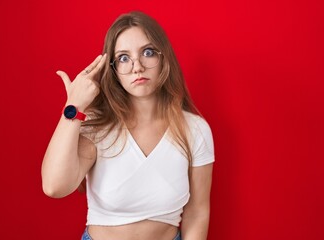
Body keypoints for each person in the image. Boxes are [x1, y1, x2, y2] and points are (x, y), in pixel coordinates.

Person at [42, 11, 214, 240]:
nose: (137, 66)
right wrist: (73, 106)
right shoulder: (96, 126)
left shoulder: (195, 130)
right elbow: (55, 187)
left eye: (148, 52)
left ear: (164, 58)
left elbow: (197, 212)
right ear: (112, 69)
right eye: (123, 58)